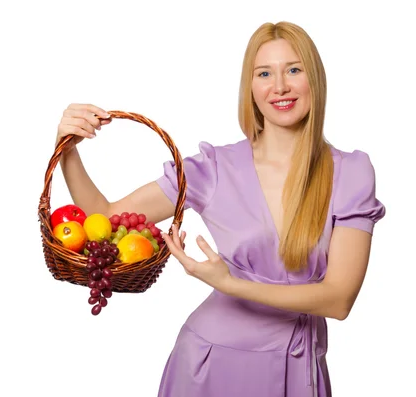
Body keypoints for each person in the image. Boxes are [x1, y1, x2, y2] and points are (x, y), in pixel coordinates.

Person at [55, 21, 385, 397]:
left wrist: (230, 283)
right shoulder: (212, 169)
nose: (280, 86)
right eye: (265, 73)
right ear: (252, 90)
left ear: (315, 80)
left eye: (294, 70)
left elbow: (339, 299)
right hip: (209, 364)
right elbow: (106, 215)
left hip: (298, 367)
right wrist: (67, 149)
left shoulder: (351, 173)